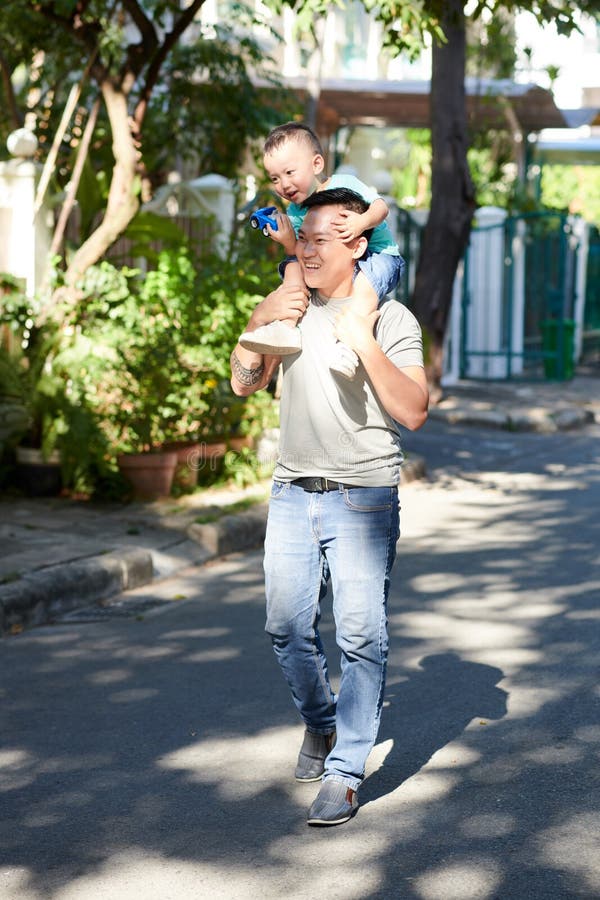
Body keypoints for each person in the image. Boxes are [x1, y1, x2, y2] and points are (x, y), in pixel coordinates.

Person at [230, 187, 428, 827]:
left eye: (322, 239)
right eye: (303, 237)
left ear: (357, 245)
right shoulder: (289, 309)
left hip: (364, 497)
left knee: (361, 636)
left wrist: (362, 340)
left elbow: (415, 411)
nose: (307, 249)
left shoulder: (392, 319)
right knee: (285, 628)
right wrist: (261, 317)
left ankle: (345, 774)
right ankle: (321, 724)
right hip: (292, 493)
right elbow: (242, 383)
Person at [239, 122, 404, 379]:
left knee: (366, 286)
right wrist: (287, 241)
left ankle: (349, 346)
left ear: (316, 164)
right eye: (275, 178)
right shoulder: (296, 212)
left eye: (289, 172)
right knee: (292, 263)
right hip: (342, 266)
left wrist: (361, 222)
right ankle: (286, 325)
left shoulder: (343, 183)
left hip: (378, 254)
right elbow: (302, 250)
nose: (283, 184)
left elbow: (381, 207)